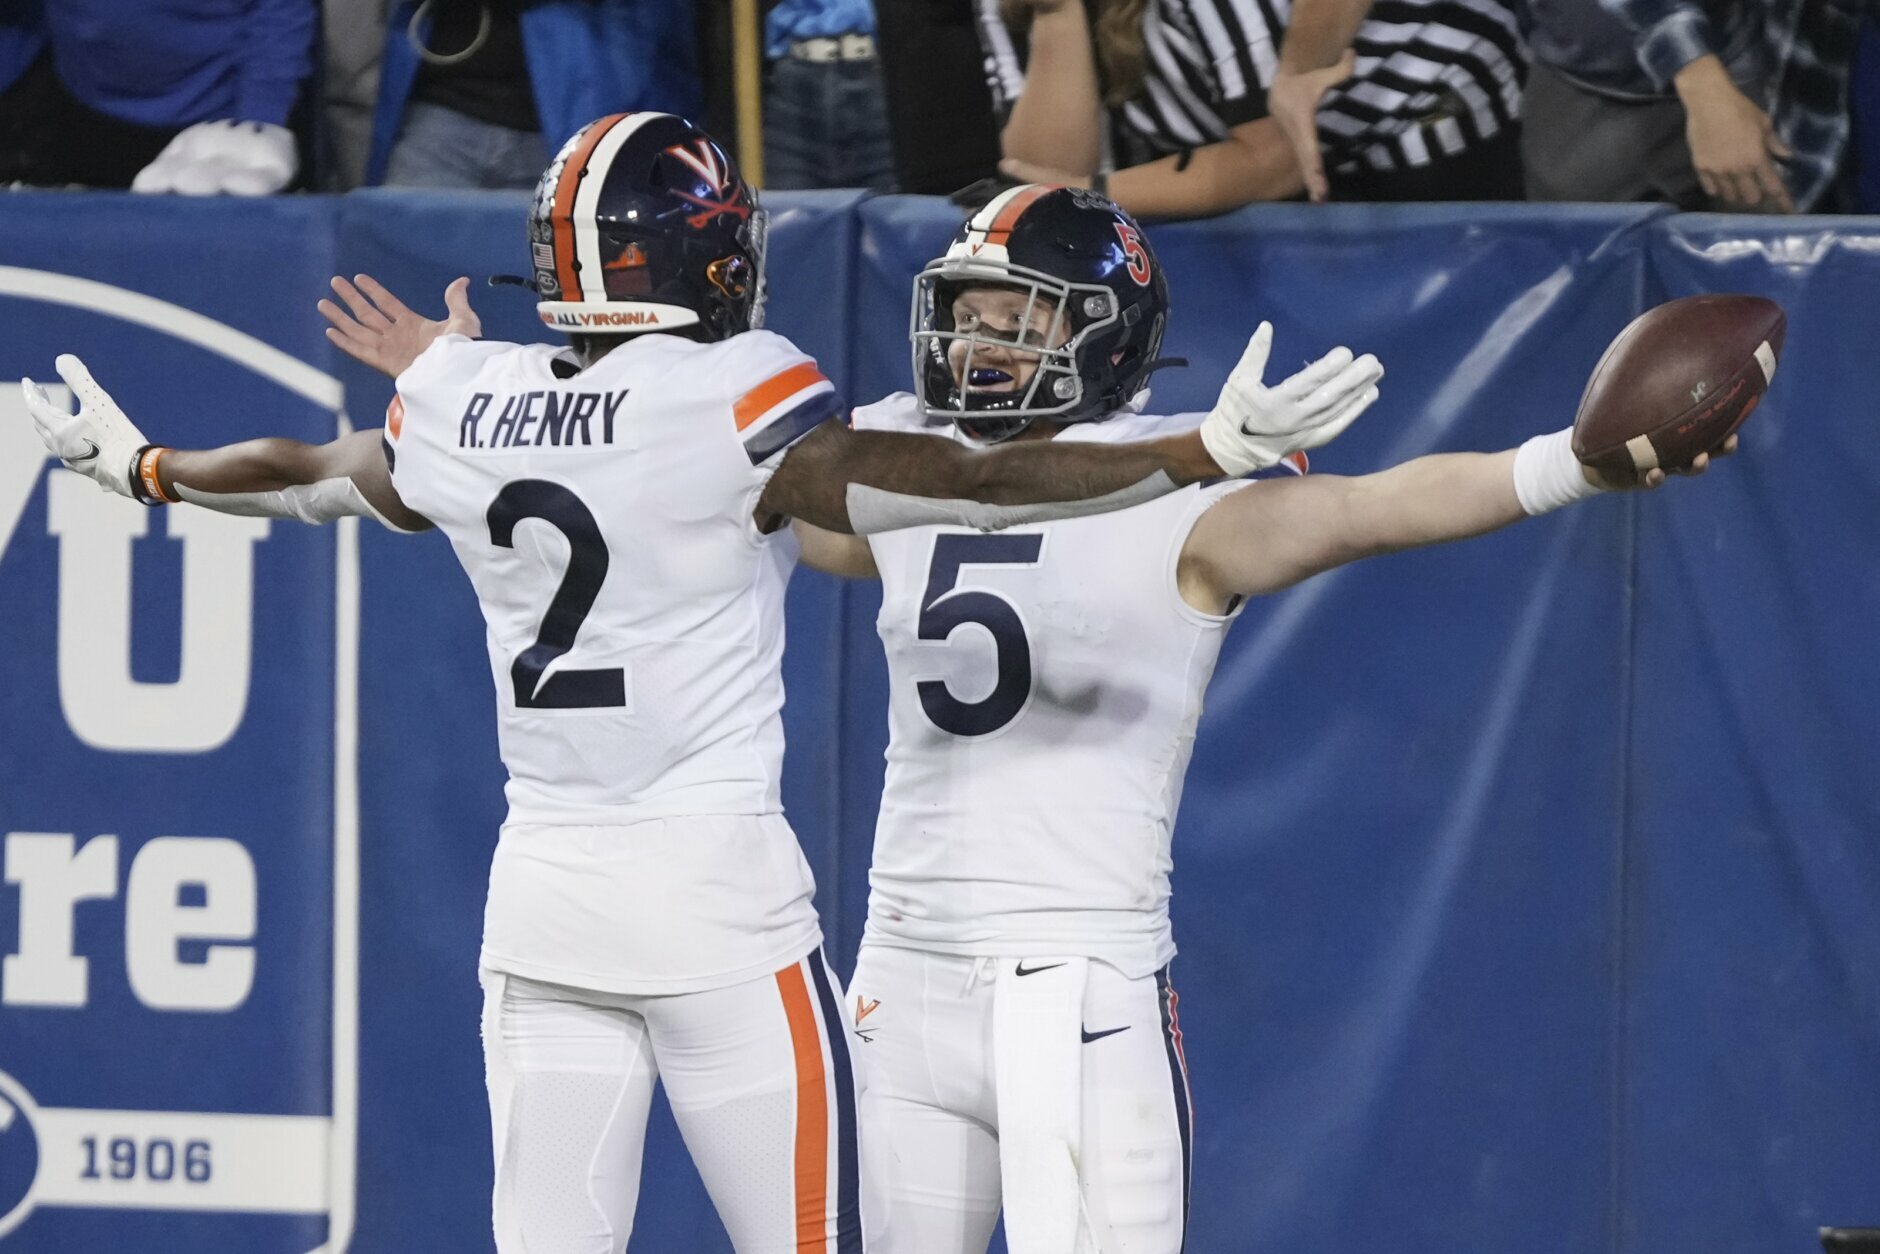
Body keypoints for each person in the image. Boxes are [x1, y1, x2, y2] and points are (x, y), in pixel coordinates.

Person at [18, 120, 1381, 1251]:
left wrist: (147, 469)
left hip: (540, 898)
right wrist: (1189, 453)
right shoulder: (736, 390)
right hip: (717, 907)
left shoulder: (462, 399)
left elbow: (313, 474)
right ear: (709, 258)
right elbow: (965, 480)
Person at [781, 187, 1729, 1253]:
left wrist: (1568, 465)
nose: (981, 342)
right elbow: (777, 513)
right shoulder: (910, 459)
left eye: (1020, 315)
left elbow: (1369, 509)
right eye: (969, 312)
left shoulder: (1180, 491)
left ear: (1102, 332)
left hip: (1073, 986)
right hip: (903, 974)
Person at [975, 0, 1523, 219]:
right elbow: (1038, 177)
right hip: (1261, 168)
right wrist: (1056, 12)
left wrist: (1088, 193)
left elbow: (1277, 159)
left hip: (1423, 121)